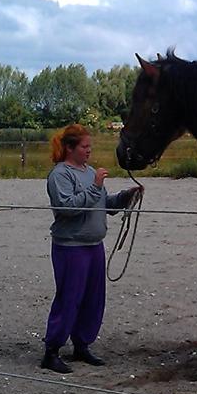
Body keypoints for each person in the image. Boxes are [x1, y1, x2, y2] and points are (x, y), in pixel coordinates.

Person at [41, 123, 140, 373]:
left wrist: (124, 197)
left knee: (92, 299)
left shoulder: (89, 171)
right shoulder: (60, 175)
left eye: (90, 147)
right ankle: (51, 350)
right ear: (70, 148)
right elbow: (67, 207)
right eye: (85, 146)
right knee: (69, 297)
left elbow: (104, 204)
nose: (89, 151)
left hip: (94, 245)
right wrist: (95, 186)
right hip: (70, 246)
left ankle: (81, 344)